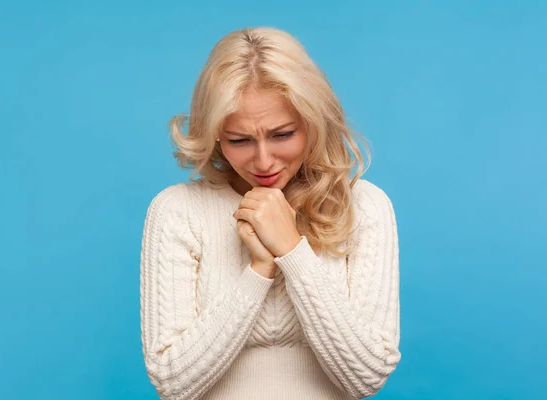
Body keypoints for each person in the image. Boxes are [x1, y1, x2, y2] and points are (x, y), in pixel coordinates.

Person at [140, 27, 401, 400]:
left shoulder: (364, 206)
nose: (263, 161)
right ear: (214, 135)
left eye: (282, 134)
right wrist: (259, 270)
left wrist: (293, 251)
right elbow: (173, 383)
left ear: (313, 121)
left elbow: (366, 376)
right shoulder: (179, 211)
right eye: (239, 140)